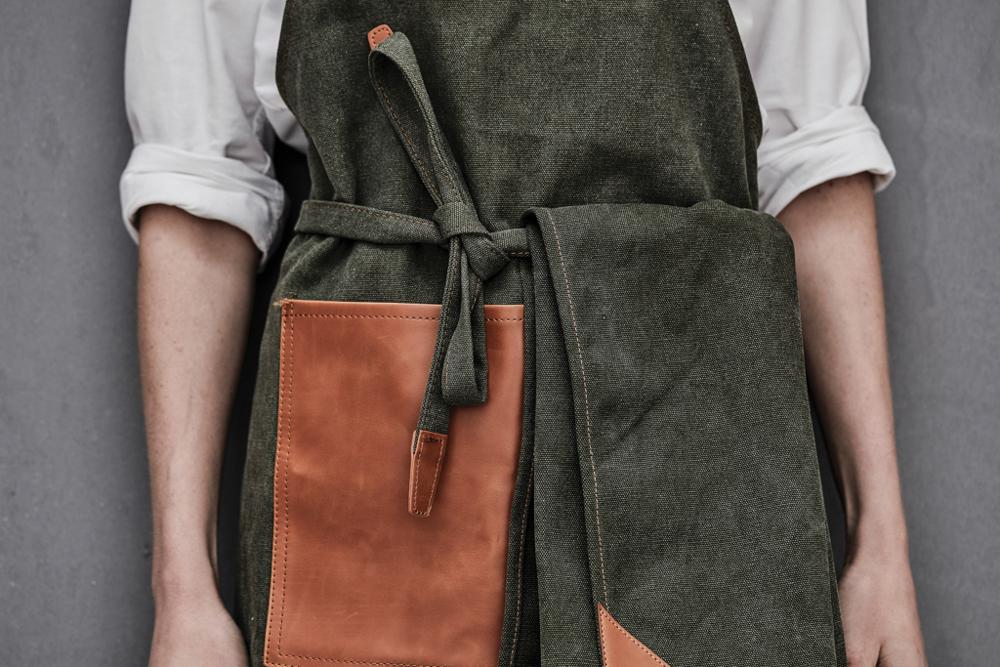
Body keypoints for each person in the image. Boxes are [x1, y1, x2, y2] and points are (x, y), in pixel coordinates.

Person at [121, 1, 927, 666]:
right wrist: (184, 590)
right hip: (389, 436)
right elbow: (199, 185)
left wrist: (881, 548)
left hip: (692, 441)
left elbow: (813, 161)